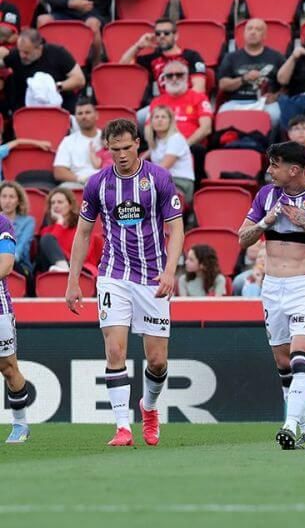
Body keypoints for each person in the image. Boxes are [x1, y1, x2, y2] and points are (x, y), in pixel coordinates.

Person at [65, 119, 185, 447]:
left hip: (153, 277)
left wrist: (171, 270)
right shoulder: (97, 184)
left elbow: (176, 228)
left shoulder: (159, 178)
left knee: (157, 361)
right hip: (113, 275)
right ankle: (122, 427)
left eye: (126, 148)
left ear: (137, 144)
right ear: (107, 149)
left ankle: (148, 407)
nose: (120, 155)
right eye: (114, 149)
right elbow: (84, 232)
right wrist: (73, 281)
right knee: (115, 349)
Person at [237, 141, 305, 450]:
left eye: (275, 165)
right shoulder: (265, 196)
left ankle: (289, 424)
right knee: (283, 363)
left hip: (304, 286)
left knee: (300, 359)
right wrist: (264, 222)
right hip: (272, 288)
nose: (269, 170)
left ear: (293, 170)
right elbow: (242, 238)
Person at [121, 18, 207, 126]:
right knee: (135, 121)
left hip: (188, 104)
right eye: (158, 34)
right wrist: (138, 46)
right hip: (162, 105)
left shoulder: (191, 56)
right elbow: (123, 65)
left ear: (175, 36)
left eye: (166, 33)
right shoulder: (153, 59)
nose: (162, 36)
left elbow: (199, 88)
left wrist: (178, 105)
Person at [217, 18, 284, 130]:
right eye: (249, 29)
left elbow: (288, 83)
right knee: (223, 113)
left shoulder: (276, 57)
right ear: (244, 34)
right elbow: (223, 85)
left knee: (275, 116)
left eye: (258, 29)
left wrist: (276, 96)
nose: (253, 32)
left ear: (264, 36)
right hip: (237, 102)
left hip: (265, 103)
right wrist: (244, 79)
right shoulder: (231, 57)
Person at [0, 28, 85, 113]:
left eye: (26, 52)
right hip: (26, 110)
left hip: (60, 107)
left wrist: (55, 87)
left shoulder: (58, 54)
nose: (22, 56)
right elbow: (3, 62)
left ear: (39, 48)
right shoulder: (16, 56)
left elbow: (79, 79)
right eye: (20, 51)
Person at [0, 209, 29, 442]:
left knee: (8, 367)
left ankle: (20, 424)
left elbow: (6, 266)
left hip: (0, 308)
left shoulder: (2, 224)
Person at [148, 60, 214, 148]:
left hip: (191, 146)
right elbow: (148, 128)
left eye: (179, 75)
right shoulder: (156, 101)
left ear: (187, 77)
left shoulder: (200, 98)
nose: (174, 78)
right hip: (163, 147)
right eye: (169, 76)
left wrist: (183, 147)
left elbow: (206, 128)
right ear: (164, 79)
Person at [37, 187, 102, 273]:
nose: (56, 206)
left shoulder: (81, 229)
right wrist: (59, 223)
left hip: (80, 268)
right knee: (47, 238)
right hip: (55, 268)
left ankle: (64, 268)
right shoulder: (46, 231)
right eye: (53, 203)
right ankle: (64, 268)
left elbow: (84, 256)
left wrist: (65, 257)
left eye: (60, 202)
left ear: (70, 205)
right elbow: (48, 251)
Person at [143, 105, 195, 199]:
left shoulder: (176, 139)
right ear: (151, 121)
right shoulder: (156, 141)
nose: (159, 120)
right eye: (156, 117)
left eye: (163, 117)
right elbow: (142, 159)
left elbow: (163, 168)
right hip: (162, 182)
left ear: (170, 122)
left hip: (180, 183)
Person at [53, 97, 102, 187]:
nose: (84, 116)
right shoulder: (68, 141)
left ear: (96, 115)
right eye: (80, 113)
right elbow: (59, 171)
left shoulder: (108, 138)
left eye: (88, 112)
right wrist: (80, 179)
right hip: (78, 183)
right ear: (75, 118)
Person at [0, 180, 33, 277]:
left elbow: (19, 250)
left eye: (11, 197)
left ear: (18, 201)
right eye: (4, 196)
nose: (7, 201)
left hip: (20, 265)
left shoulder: (28, 221)